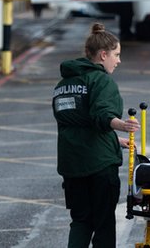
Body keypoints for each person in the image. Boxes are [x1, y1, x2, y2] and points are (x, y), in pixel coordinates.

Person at [52, 22, 139, 247]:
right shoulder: (101, 81)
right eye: (116, 55)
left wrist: (114, 139)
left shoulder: (64, 84)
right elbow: (101, 115)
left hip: (71, 163)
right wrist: (122, 125)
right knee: (103, 223)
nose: (118, 61)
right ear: (103, 55)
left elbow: (79, 121)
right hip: (98, 164)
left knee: (81, 221)